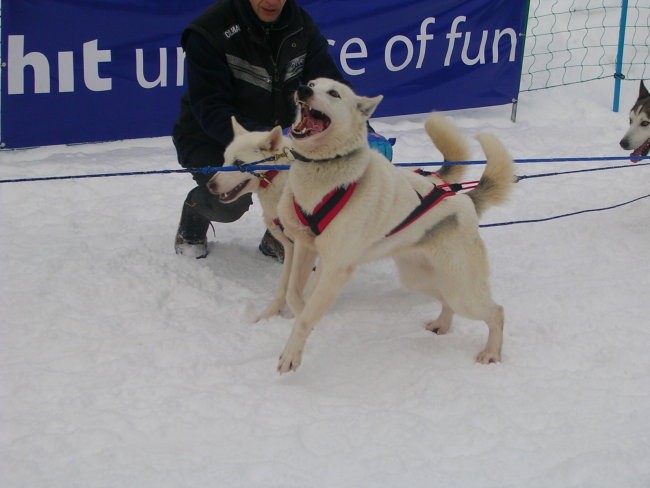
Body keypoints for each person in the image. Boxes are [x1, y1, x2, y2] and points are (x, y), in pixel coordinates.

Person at [172, 0, 393, 260]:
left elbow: (332, 83)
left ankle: (278, 237)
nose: (272, 2)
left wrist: (362, 129)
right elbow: (210, 110)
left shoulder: (298, 23)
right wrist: (270, 144)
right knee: (230, 204)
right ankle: (195, 212)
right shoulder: (208, 32)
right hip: (213, 138)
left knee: (318, 176)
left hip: (278, 138)